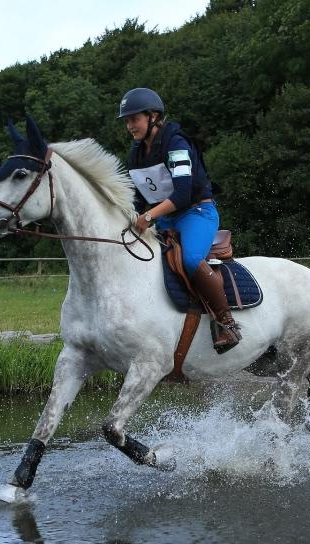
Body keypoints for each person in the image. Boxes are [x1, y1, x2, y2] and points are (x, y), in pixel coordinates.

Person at [118, 87, 241, 352]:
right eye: (127, 121)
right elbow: (140, 199)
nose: (130, 126)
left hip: (197, 212)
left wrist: (149, 216)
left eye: (134, 119)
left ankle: (227, 323)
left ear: (152, 117)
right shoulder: (136, 153)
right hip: (166, 220)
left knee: (190, 259)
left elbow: (183, 194)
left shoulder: (176, 143)